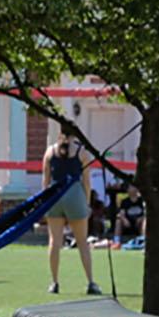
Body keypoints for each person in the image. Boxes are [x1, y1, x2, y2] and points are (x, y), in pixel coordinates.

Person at [40, 127, 102, 297]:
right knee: (82, 242)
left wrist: (44, 204)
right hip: (74, 193)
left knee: (54, 241)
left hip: (54, 195)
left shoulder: (49, 151)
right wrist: (87, 204)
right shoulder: (82, 152)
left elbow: (44, 181)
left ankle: (54, 282)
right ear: (74, 134)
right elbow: (87, 182)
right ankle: (90, 282)